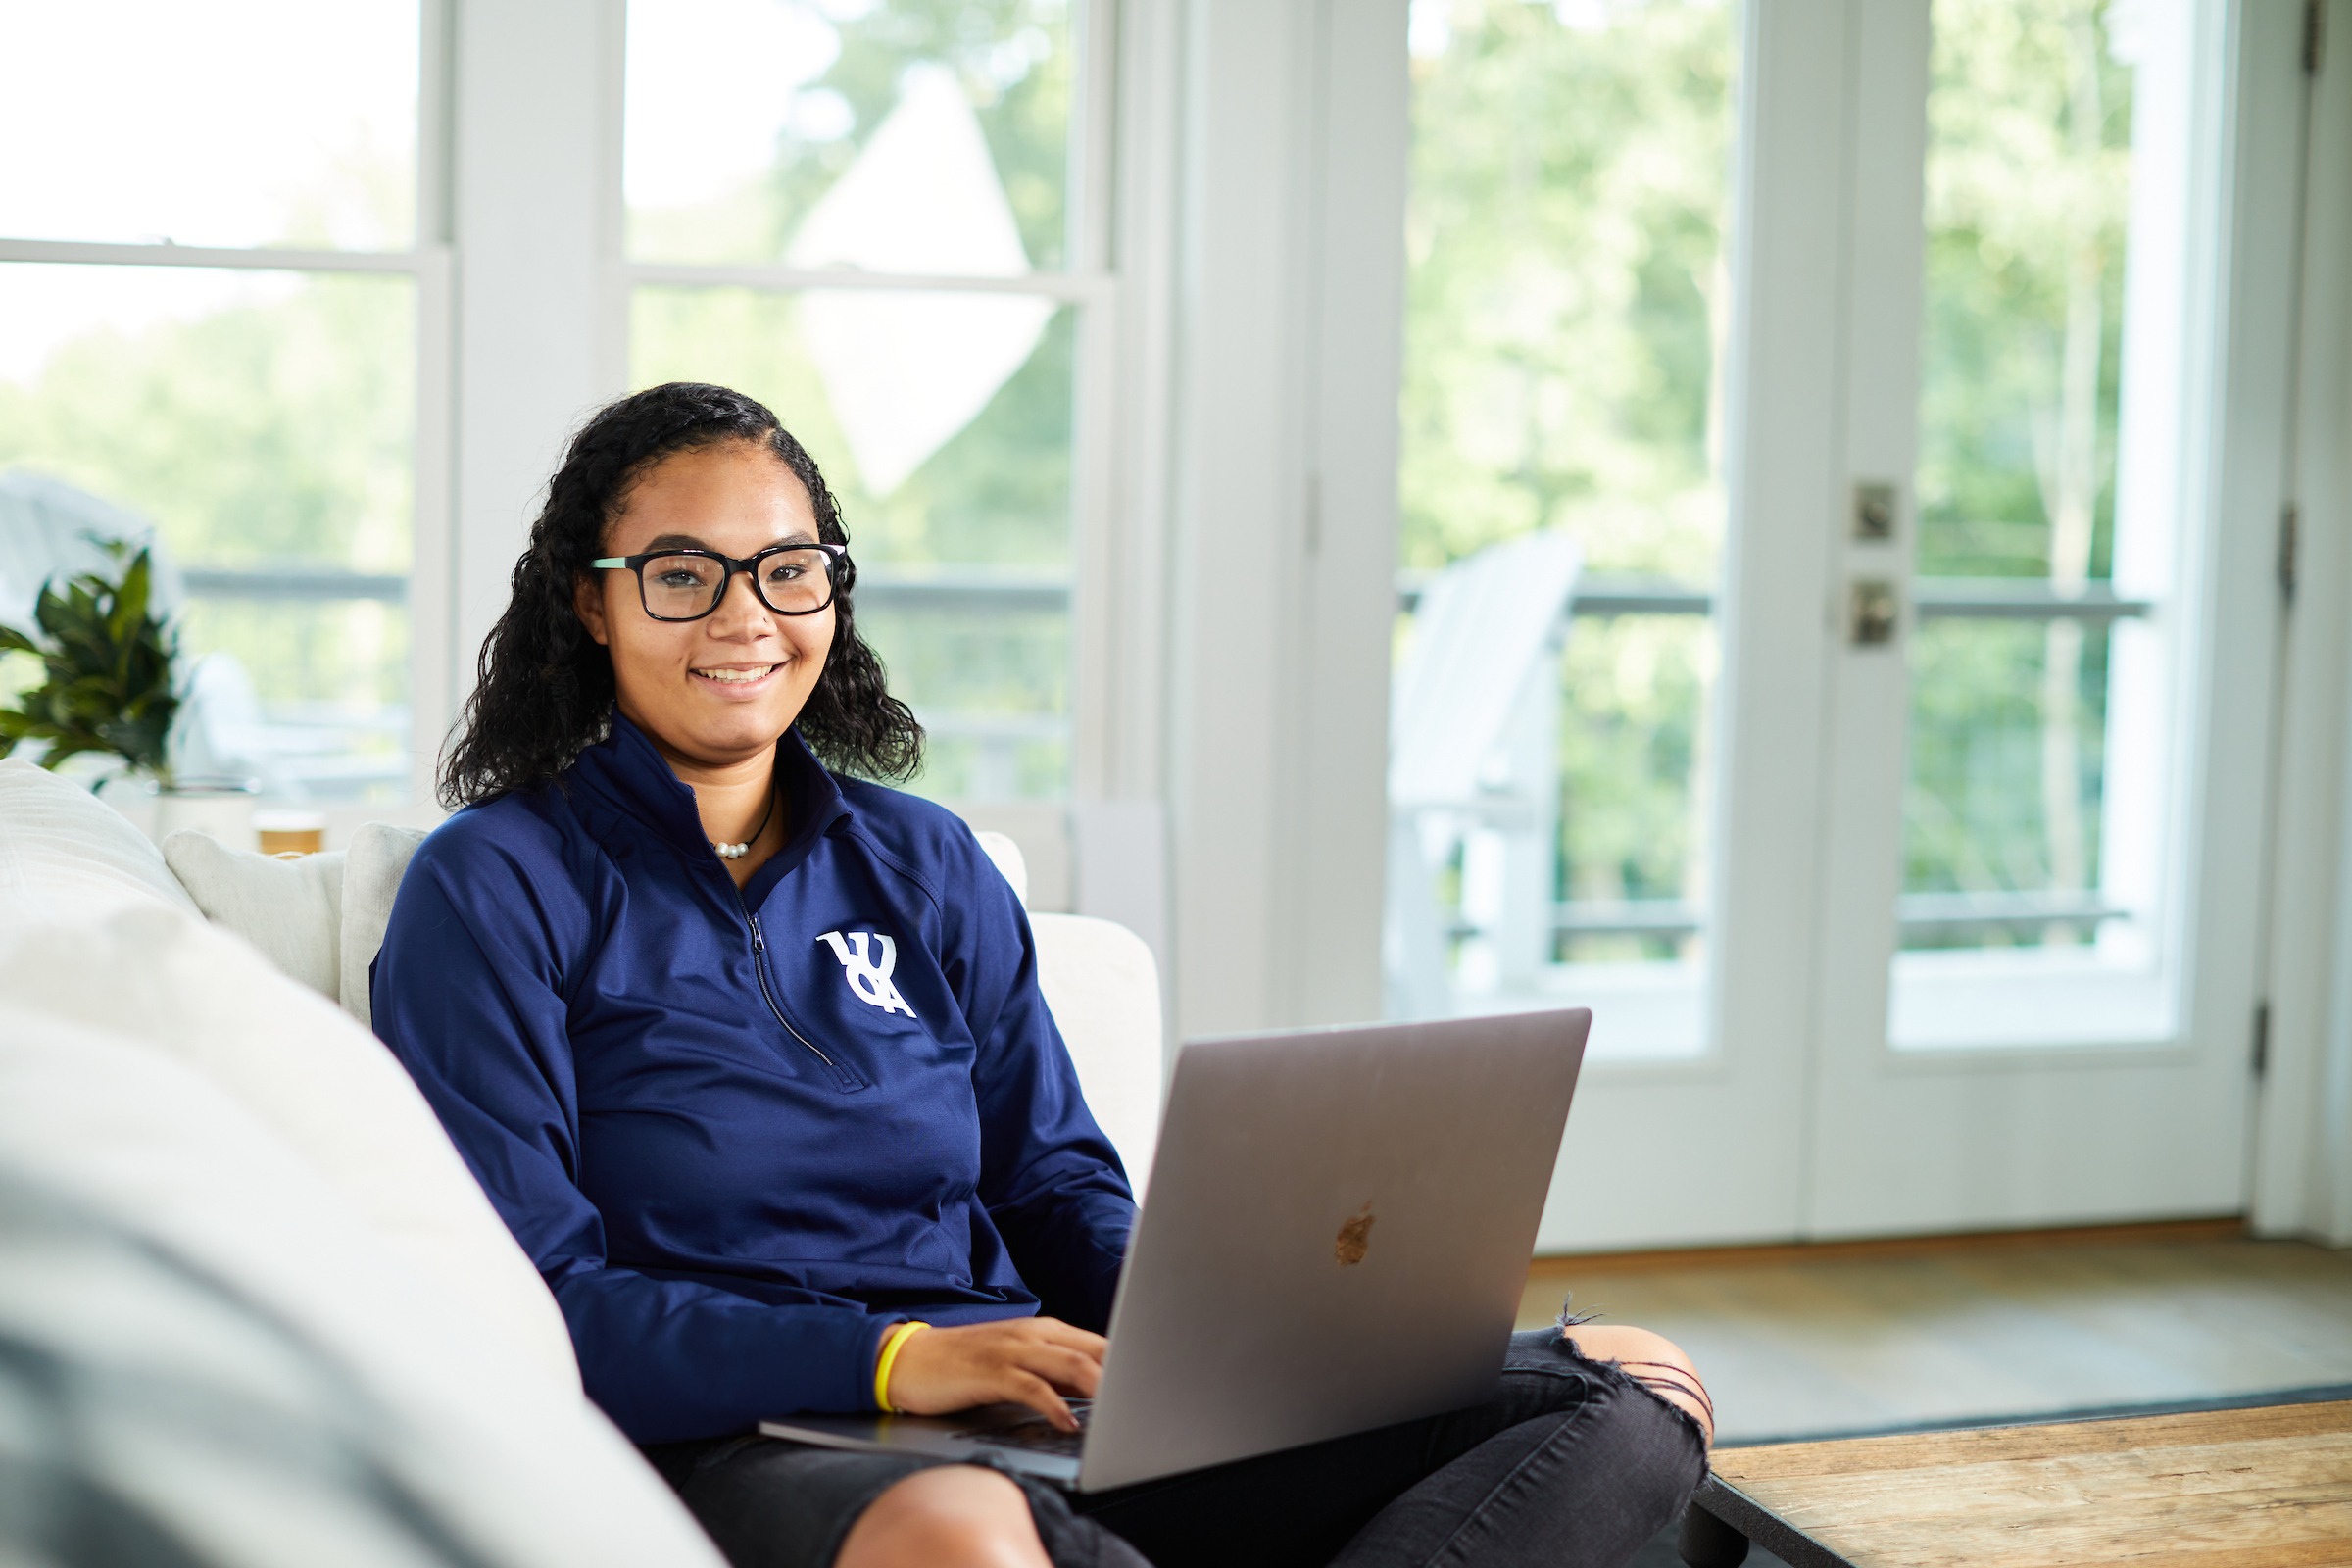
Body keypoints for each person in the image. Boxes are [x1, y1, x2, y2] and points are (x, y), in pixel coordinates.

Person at [372, 382, 1712, 1568]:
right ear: (590, 601)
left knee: (1633, 1395)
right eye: (683, 574)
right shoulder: (493, 887)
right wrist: (894, 1358)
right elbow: (538, 1297)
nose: (746, 618)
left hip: (1037, 1399)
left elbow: (1055, 1182)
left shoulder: (926, 862)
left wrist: (1225, 1346)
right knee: (962, 1537)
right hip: (755, 1435)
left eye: (789, 570)